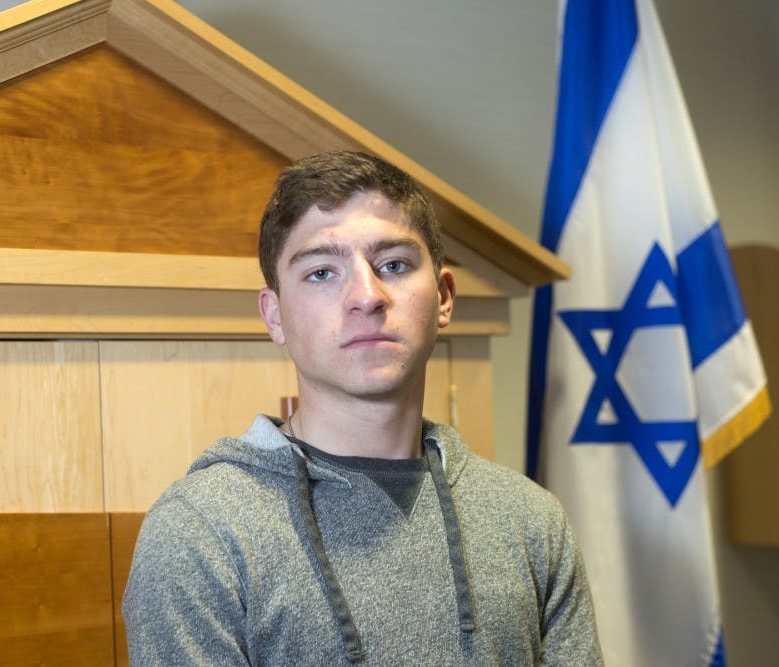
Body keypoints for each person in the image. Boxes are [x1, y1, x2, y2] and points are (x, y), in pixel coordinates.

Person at [123, 151, 602, 665]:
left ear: (443, 298)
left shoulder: (531, 522)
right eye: (322, 272)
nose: (367, 296)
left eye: (393, 264)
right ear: (275, 315)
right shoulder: (201, 533)